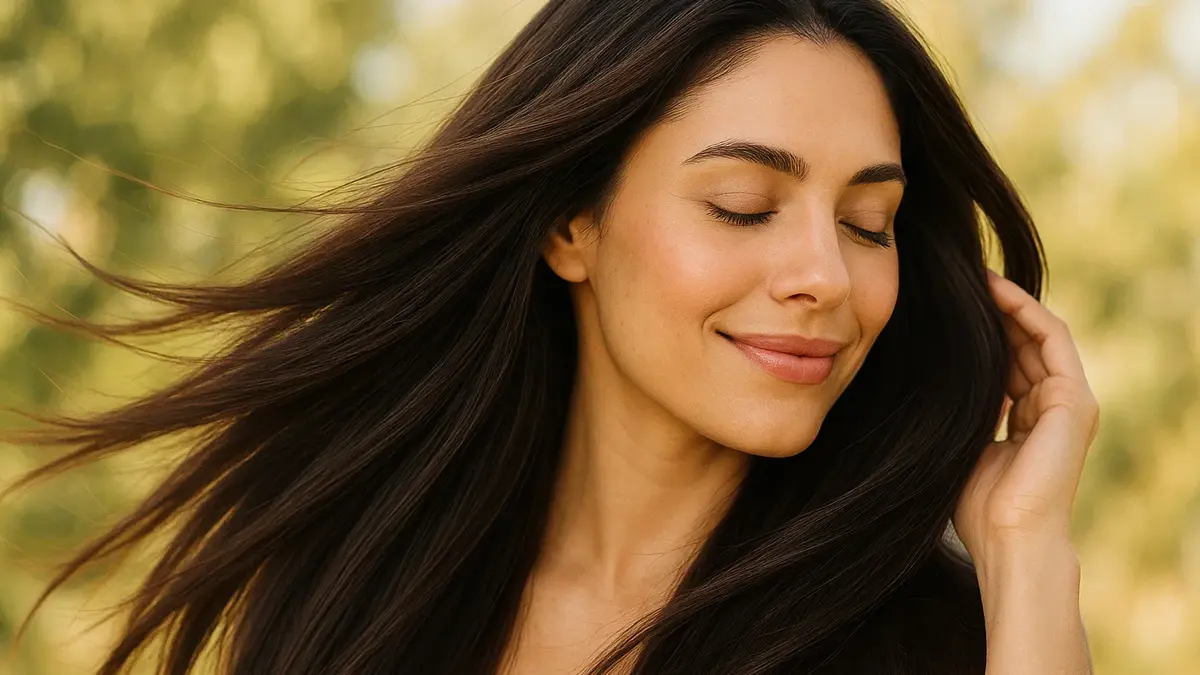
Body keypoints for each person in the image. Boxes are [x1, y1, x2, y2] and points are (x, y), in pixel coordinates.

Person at [5, 0, 1099, 673]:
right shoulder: (368, 590)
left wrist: (1026, 551)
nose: (825, 274)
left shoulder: (943, 643)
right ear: (571, 223)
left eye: (870, 223)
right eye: (743, 205)